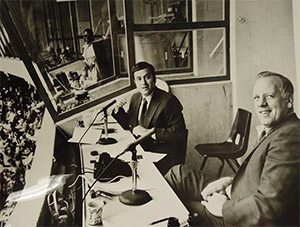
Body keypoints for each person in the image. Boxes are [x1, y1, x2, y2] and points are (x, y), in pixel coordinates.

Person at [166, 71, 300, 226]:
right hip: (237, 195)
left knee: (178, 209)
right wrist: (229, 183)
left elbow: (268, 207)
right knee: (178, 174)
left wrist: (224, 208)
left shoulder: (290, 137)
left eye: (269, 96)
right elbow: (263, 176)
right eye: (256, 97)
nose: (261, 103)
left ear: (289, 100)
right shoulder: (280, 129)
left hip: (244, 217)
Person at [112, 61, 187, 175]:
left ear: (154, 78)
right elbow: (131, 125)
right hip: (142, 152)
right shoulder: (135, 98)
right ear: (135, 82)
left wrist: (150, 132)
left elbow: (179, 133)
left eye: (147, 77)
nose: (144, 83)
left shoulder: (168, 101)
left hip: (163, 156)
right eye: (139, 79)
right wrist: (118, 111)